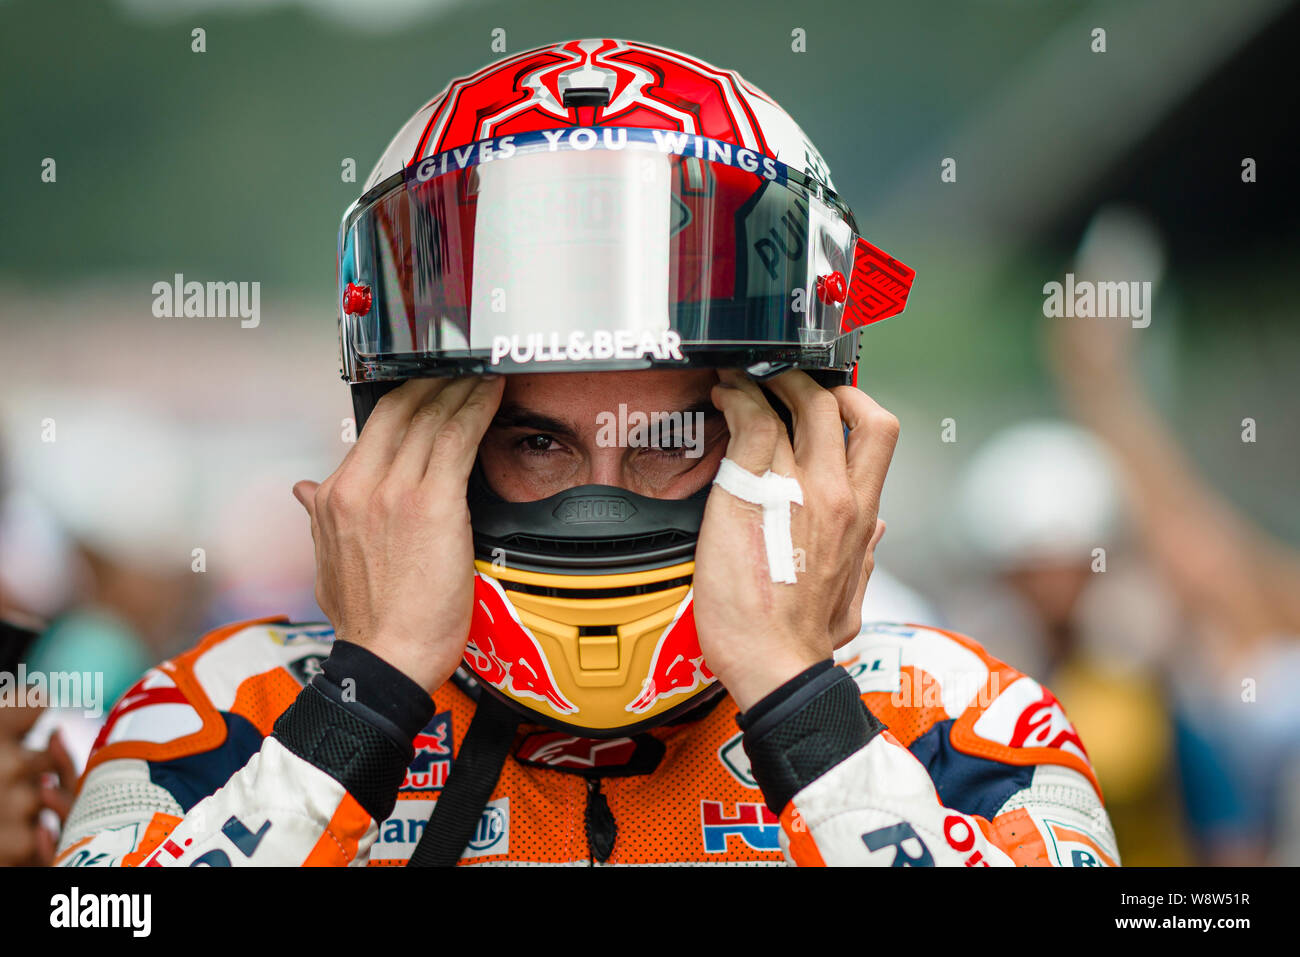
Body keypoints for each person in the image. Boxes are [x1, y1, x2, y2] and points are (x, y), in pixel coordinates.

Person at [54, 39, 1117, 867]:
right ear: (423, 453)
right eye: (537, 442)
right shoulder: (222, 710)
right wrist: (358, 715)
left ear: (790, 444)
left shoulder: (960, 717)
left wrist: (805, 710)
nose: (597, 500)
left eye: (667, 440)